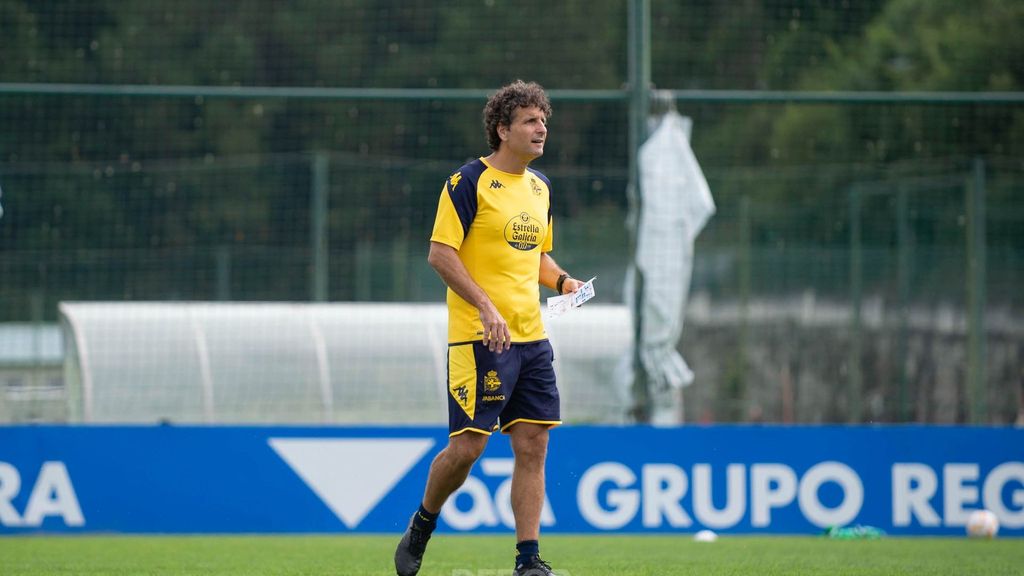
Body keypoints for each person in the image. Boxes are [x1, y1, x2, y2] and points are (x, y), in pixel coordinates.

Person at [394, 80, 582, 576]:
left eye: (544, 120)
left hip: (531, 337)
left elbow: (536, 256)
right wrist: (484, 306)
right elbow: (440, 254)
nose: (541, 128)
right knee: (468, 448)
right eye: (530, 121)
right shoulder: (467, 182)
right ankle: (423, 523)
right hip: (480, 338)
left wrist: (563, 281)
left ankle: (528, 560)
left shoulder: (540, 187)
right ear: (502, 129)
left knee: (534, 444)